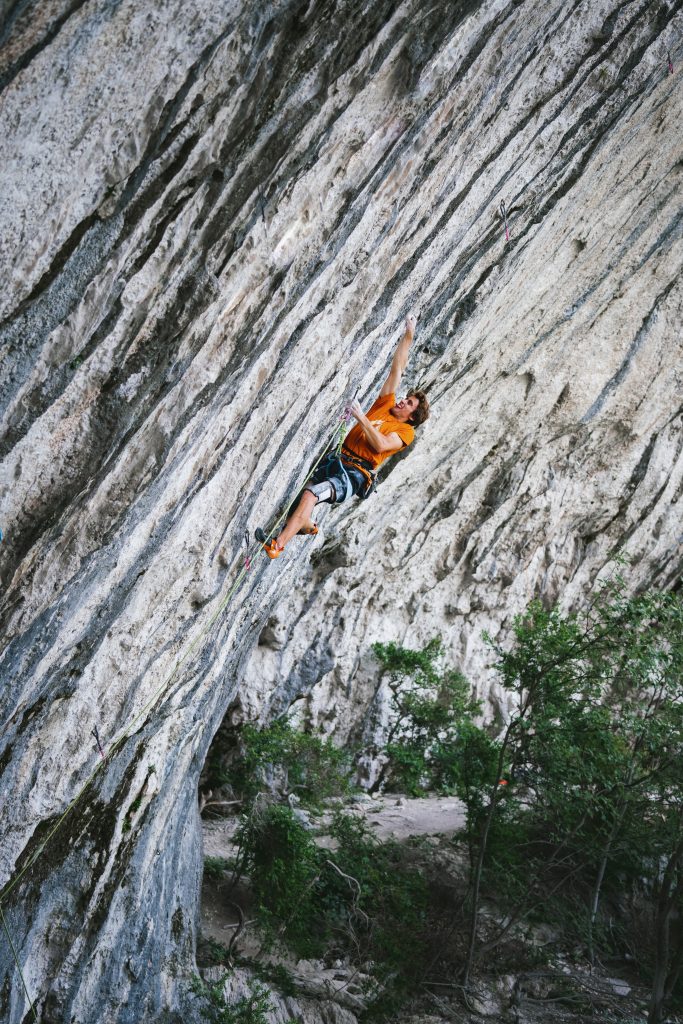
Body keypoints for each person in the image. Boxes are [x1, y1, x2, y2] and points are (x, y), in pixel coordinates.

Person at [259, 314, 430, 558]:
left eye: (409, 403)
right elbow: (398, 368)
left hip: (353, 475)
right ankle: (308, 525)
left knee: (311, 494)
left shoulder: (405, 432)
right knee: (297, 506)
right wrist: (409, 334)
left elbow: (381, 445)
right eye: (406, 398)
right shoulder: (386, 404)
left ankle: (277, 545)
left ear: (412, 416)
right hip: (337, 460)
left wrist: (361, 417)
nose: (403, 401)